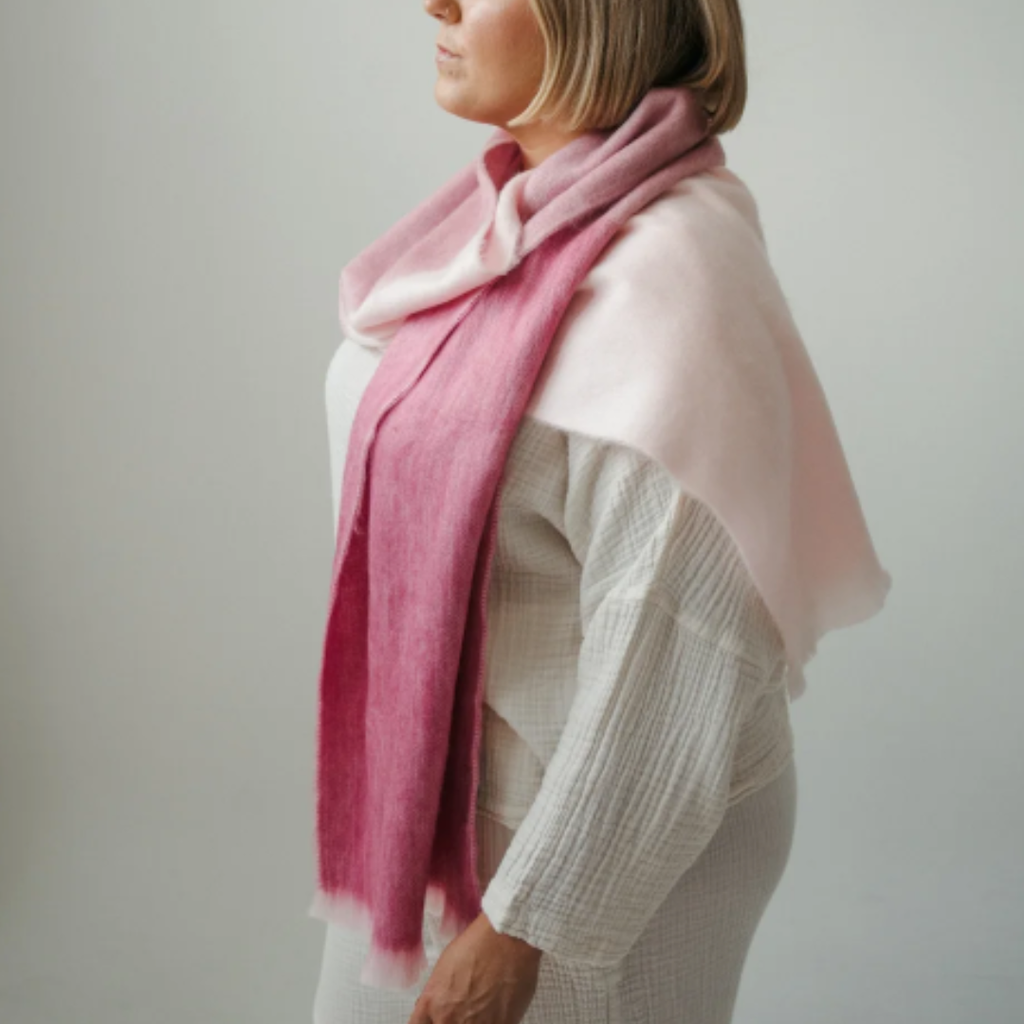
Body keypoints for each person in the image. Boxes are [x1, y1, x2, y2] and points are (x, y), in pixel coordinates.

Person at [309, 1, 889, 1022]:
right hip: (451, 801)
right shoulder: (505, 226)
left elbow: (682, 639)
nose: (437, 3)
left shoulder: (671, 277)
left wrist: (527, 923)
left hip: (602, 844)